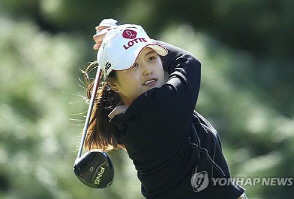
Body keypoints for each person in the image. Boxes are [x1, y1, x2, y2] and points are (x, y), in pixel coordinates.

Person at [82, 18, 247, 199]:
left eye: (151, 58)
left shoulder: (129, 117)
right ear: (114, 85)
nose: (147, 70)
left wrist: (124, 39)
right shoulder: (157, 110)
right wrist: (126, 35)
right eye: (133, 65)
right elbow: (188, 62)